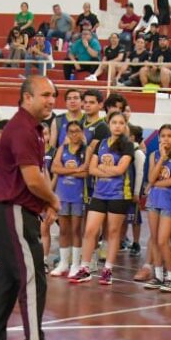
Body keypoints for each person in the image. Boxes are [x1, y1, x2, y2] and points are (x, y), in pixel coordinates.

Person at [0, 76, 69, 340]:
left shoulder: (34, 129)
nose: (51, 100)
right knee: (32, 277)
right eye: (45, 95)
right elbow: (32, 180)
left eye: (53, 95)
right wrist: (53, 200)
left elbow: (34, 175)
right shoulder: (22, 129)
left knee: (10, 278)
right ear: (27, 97)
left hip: (13, 211)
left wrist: (44, 203)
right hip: (13, 212)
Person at [69, 112, 134, 285]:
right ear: (109, 124)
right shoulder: (101, 143)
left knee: (113, 232)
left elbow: (121, 170)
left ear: (125, 125)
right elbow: (91, 169)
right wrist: (109, 170)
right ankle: (85, 268)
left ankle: (108, 270)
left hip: (119, 194)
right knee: (90, 230)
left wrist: (102, 169)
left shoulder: (127, 145)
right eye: (114, 122)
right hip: (99, 193)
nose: (117, 126)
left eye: (121, 123)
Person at [144, 124, 171, 292]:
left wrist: (154, 184)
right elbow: (150, 177)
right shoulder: (154, 155)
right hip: (153, 200)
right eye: (163, 136)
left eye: (170, 136)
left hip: (169, 201)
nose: (166, 139)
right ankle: (158, 275)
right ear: (158, 138)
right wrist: (162, 158)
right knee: (155, 239)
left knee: (163, 240)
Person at [49, 121, 88, 278]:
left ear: (82, 132)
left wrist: (64, 170)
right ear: (66, 133)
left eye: (77, 131)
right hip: (62, 194)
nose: (74, 134)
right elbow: (54, 168)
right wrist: (75, 170)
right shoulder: (62, 148)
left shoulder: (86, 150)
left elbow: (85, 172)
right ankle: (64, 263)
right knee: (64, 230)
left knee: (76, 230)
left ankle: (75, 264)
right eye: (71, 131)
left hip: (78, 195)